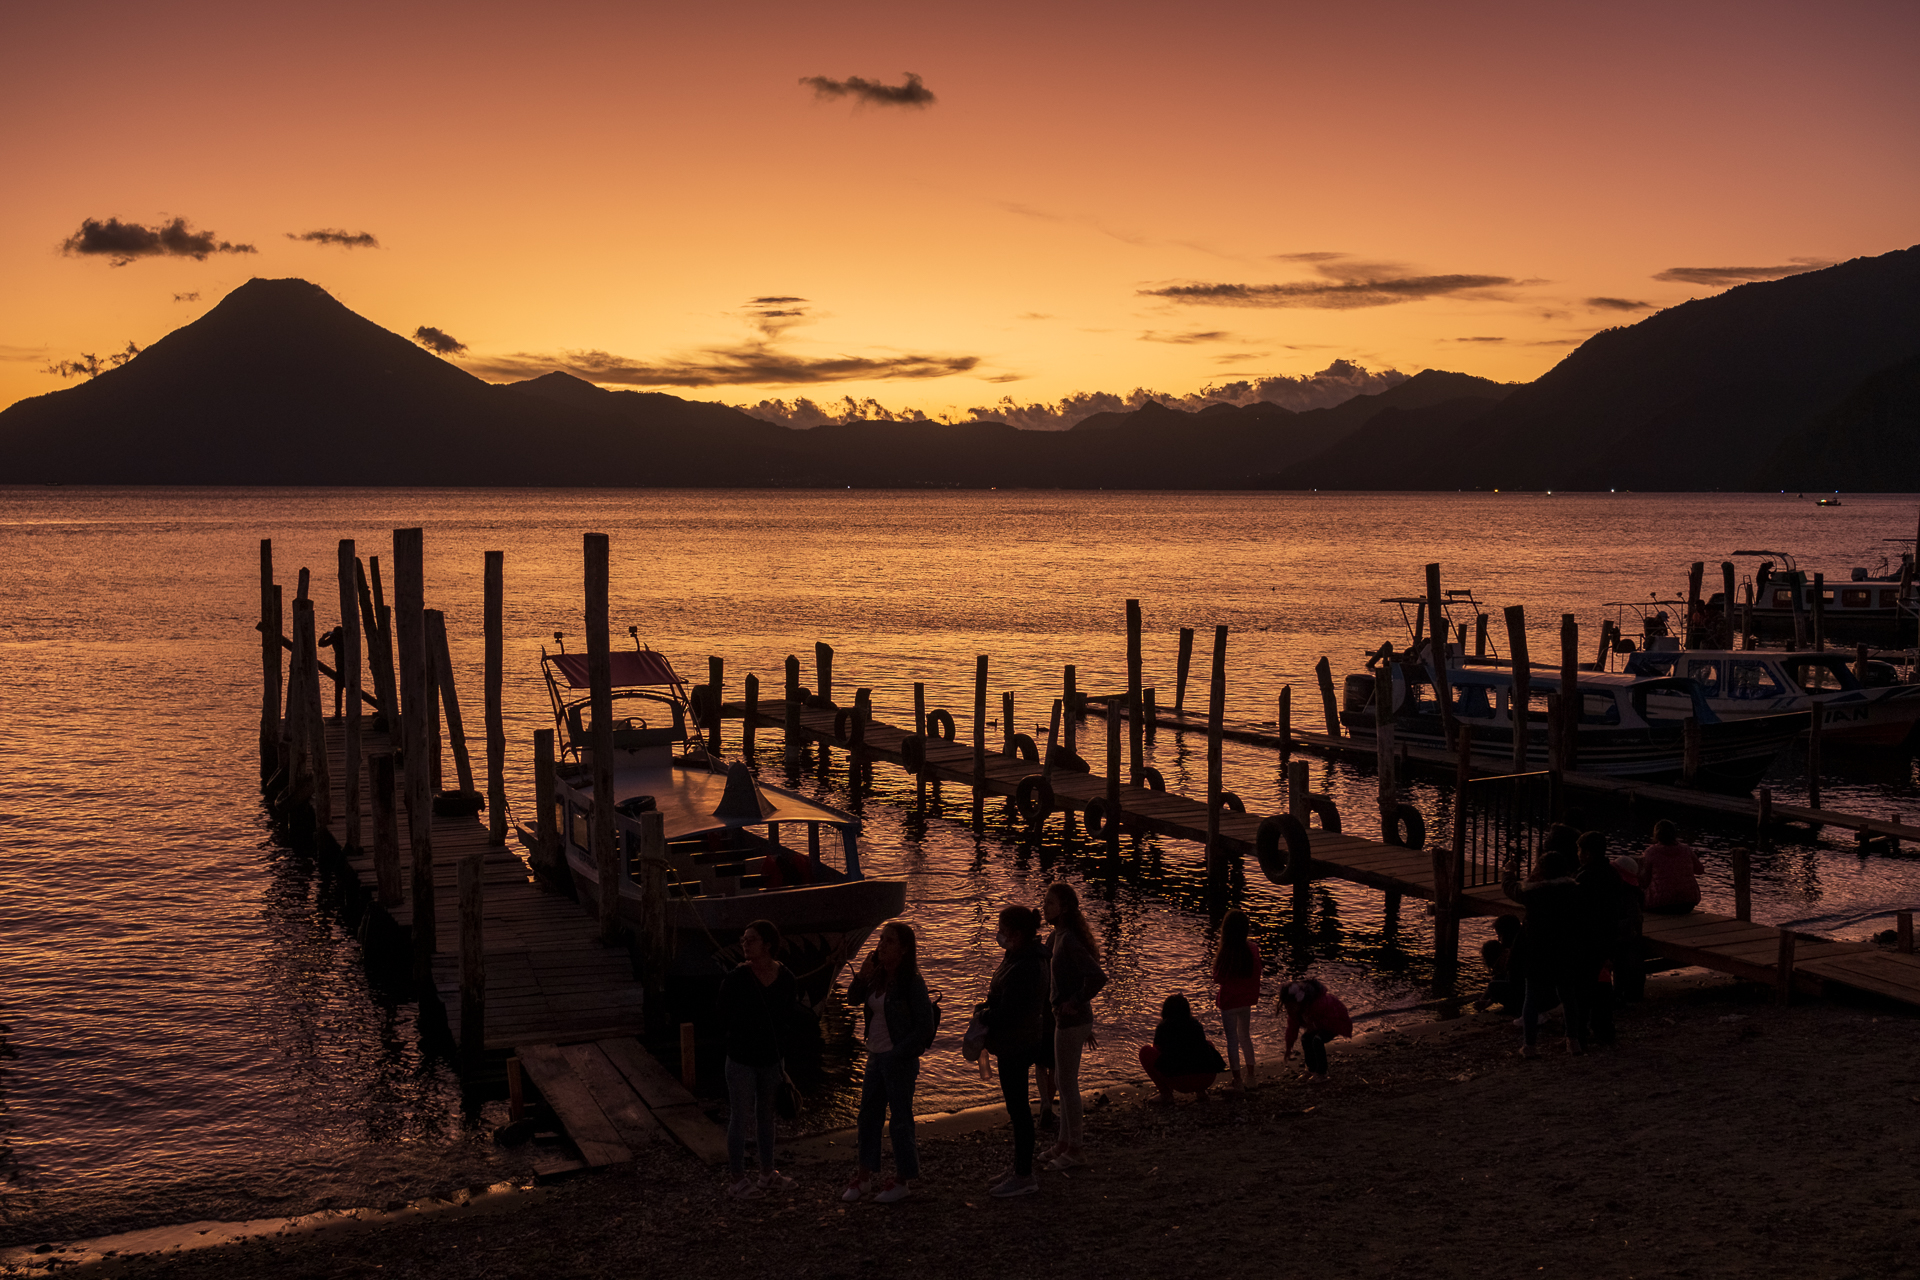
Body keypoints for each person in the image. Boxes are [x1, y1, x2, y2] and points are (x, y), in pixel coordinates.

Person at [842, 920, 935, 1204]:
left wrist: (898, 1052)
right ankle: (864, 1177)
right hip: (875, 1056)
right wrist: (862, 974)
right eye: (881, 939)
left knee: (900, 1120)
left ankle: (904, 1178)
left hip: (899, 1059)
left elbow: (925, 1027)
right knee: (868, 1117)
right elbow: (853, 999)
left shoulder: (912, 982)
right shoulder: (876, 976)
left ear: (904, 949)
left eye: (889, 941)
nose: (881, 945)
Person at [718, 919, 801, 1198]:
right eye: (743, 939)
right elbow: (722, 1014)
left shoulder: (786, 978)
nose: (744, 943)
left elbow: (790, 1017)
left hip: (771, 1059)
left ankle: (767, 1173)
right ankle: (737, 1179)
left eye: (750, 939)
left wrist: (782, 1052)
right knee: (739, 1117)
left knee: (767, 1116)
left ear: (767, 944)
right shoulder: (736, 978)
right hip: (741, 1058)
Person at [983, 904, 1049, 1198]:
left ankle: (1024, 1174)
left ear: (1017, 933)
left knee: (1019, 1109)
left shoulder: (1027, 965)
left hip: (1018, 1042)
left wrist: (984, 1016)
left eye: (1004, 931)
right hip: (1016, 1040)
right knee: (1017, 1107)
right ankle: (1019, 1168)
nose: (1000, 935)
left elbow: (1012, 1011)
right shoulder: (1019, 956)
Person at [1040, 883, 1106, 1171]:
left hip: (1072, 1021)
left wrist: (1076, 1002)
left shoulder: (1067, 941)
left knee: (1067, 1085)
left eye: (1050, 903)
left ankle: (1075, 1148)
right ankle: (1063, 1142)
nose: (1045, 907)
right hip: (1064, 1020)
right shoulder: (1055, 937)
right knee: (1065, 1082)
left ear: (1064, 908)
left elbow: (1096, 976)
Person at [1503, 847, 1591, 1058]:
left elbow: (1509, 888)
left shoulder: (1533, 893)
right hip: (1565, 949)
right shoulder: (1574, 891)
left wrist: (1508, 872)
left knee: (1531, 996)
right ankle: (1573, 1041)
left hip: (1537, 951)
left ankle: (1530, 1046)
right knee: (1568, 996)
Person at [1575, 830, 1639, 1044]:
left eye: (1581, 850)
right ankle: (1603, 1028)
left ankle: (1580, 1031)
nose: (1578, 854)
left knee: (1583, 988)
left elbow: (1581, 910)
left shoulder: (1585, 877)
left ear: (1588, 853)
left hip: (1589, 939)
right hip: (1608, 937)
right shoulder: (1612, 876)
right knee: (1602, 985)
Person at [1138, 993, 1226, 1103]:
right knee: (1208, 1044)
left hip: (1180, 1082)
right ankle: (1201, 1092)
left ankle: (1166, 1094)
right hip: (1207, 1079)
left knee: (1145, 1051)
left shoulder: (1163, 1027)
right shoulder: (1196, 1025)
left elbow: (1157, 1050)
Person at [1211, 909, 1261, 1091]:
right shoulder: (1253, 949)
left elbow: (1217, 978)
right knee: (1245, 1037)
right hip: (1245, 1002)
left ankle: (1237, 1081)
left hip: (1229, 1003)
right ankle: (1251, 1077)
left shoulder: (1227, 952)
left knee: (1232, 1040)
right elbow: (1257, 974)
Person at [1277, 978, 1352, 1081]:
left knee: (1317, 1040)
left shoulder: (1318, 1004)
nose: (1288, 1008)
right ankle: (1311, 1069)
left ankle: (1322, 1073)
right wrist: (1288, 1048)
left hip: (1336, 1023)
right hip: (1319, 1024)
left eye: (1290, 1005)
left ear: (1298, 1001)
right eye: (1286, 1006)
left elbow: (1334, 1018)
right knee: (1305, 1038)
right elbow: (1292, 1029)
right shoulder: (1294, 1012)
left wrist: (1315, 1027)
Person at [1640, 819, 1704, 914]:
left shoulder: (1651, 852)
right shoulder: (1686, 849)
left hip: (1660, 904)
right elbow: (1700, 870)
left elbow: (1645, 881)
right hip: (1688, 903)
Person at [1473, 914, 1525, 1014]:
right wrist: (1486, 1000)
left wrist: (1490, 998)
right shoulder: (1521, 945)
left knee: (1494, 986)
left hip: (1529, 994)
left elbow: (1515, 982)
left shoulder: (1514, 955)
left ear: (1505, 934)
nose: (1499, 940)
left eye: (1499, 935)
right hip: (1537, 992)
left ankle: (1514, 1008)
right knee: (1497, 982)